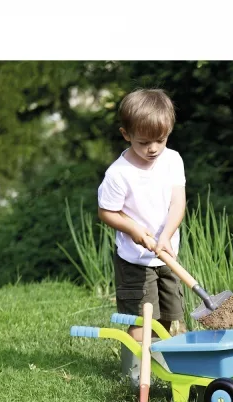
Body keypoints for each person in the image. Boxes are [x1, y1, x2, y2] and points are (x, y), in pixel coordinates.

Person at [97, 88, 187, 386]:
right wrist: (135, 231)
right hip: (135, 259)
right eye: (143, 141)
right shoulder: (119, 174)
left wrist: (167, 235)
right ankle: (134, 373)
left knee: (166, 315)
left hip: (166, 253)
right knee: (139, 317)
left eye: (160, 140)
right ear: (126, 134)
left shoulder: (172, 160)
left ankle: (157, 365)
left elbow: (178, 202)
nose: (152, 148)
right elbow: (107, 212)